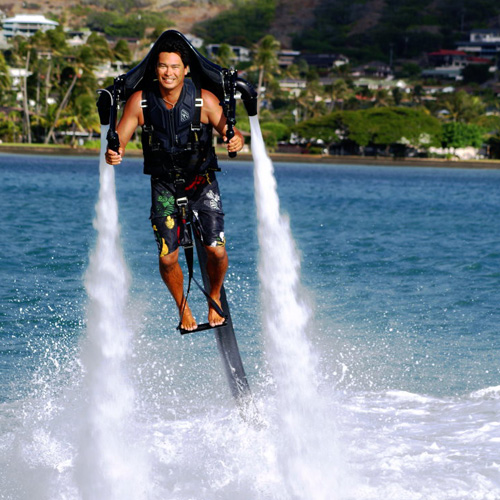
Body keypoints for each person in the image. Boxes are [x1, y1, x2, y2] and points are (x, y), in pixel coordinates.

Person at [105, 38, 244, 332]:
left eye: (175, 67)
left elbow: (233, 134)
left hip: (201, 183)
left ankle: (214, 295)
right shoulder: (140, 102)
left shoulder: (204, 100)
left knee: (216, 250)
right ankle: (183, 307)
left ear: (186, 70)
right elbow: (120, 139)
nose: (168, 72)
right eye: (163, 66)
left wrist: (235, 140)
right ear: (156, 69)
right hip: (165, 187)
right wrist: (113, 153)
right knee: (168, 258)